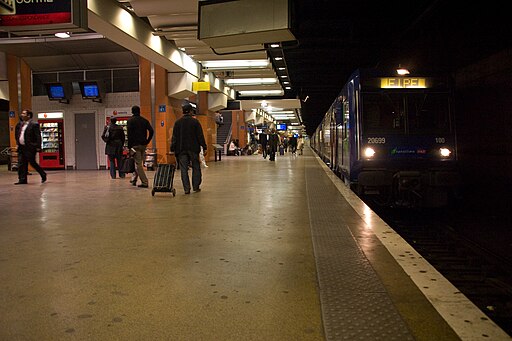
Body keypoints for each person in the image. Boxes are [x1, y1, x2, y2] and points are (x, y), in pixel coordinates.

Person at [170, 101, 208, 194]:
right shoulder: (195, 122)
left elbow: (174, 137)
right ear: (191, 111)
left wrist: (172, 148)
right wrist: (204, 146)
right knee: (196, 167)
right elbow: (200, 135)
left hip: (181, 149)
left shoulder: (177, 123)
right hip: (193, 149)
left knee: (184, 169)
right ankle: (196, 186)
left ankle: (186, 189)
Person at [14, 109, 47, 185]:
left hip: (30, 147)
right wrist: (17, 143)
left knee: (32, 163)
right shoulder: (19, 124)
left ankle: (43, 174)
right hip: (21, 147)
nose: (22, 115)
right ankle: (22, 179)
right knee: (21, 163)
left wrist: (38, 146)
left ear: (28, 115)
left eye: (24, 113)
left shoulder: (34, 124)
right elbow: (17, 134)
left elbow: (38, 136)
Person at [127, 105, 154, 188]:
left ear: (132, 111)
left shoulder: (130, 121)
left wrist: (129, 147)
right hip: (143, 145)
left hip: (135, 146)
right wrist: (148, 140)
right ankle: (134, 179)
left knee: (138, 164)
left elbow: (129, 134)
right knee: (138, 162)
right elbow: (151, 131)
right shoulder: (144, 120)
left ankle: (145, 182)